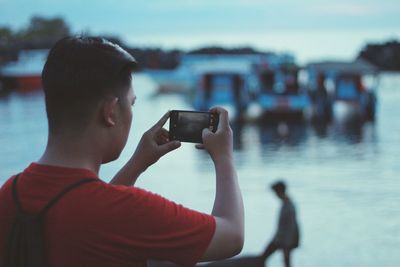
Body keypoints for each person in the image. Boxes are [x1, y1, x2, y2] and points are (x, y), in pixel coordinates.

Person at [0, 36, 244, 267]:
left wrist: (137, 163)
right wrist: (224, 158)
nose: (131, 111)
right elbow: (231, 235)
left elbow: (90, 209)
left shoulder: (10, 193)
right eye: (131, 103)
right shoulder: (129, 210)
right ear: (110, 112)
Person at [259, 181, 299, 267]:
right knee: (265, 258)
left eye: (275, 192)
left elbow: (291, 227)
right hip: (280, 239)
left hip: (285, 241)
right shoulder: (286, 203)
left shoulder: (289, 207)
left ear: (279, 191)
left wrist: (287, 245)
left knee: (265, 258)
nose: (275, 195)